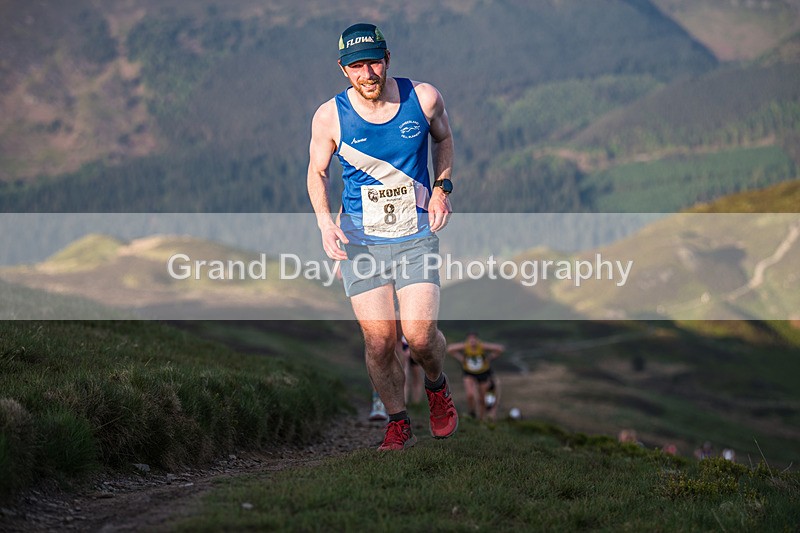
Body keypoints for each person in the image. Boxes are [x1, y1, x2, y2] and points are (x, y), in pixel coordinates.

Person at [307, 22, 458, 451]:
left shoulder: (423, 98)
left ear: (387, 58)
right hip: (360, 240)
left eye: (373, 61)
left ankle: (436, 386)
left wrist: (443, 189)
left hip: (415, 234)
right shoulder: (330, 115)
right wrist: (324, 223)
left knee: (420, 334)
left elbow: (443, 140)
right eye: (357, 66)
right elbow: (316, 173)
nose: (367, 73)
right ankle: (397, 422)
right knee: (379, 340)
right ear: (344, 70)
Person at [447, 333, 504, 421]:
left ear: (478, 340)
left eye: (474, 340)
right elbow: (450, 349)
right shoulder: (466, 347)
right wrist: (461, 358)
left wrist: (489, 357)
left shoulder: (481, 346)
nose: (472, 342)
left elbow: (499, 349)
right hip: (469, 373)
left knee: (482, 399)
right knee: (470, 394)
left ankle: (481, 418)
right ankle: (472, 412)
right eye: (470, 340)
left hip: (483, 373)